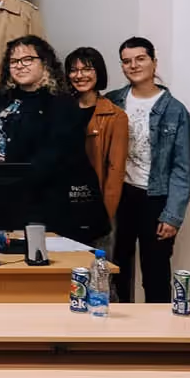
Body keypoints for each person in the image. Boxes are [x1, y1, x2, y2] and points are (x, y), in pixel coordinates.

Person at [0, 35, 108, 246]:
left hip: (42, 206)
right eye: (14, 61)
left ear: (44, 63)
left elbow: (54, 156)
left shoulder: (61, 103)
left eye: (28, 59)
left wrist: (11, 182)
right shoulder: (1, 98)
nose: (20, 65)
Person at [107, 37, 190, 303]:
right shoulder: (113, 101)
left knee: (155, 274)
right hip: (121, 196)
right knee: (116, 270)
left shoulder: (175, 111)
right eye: (126, 61)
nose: (133, 65)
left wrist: (173, 215)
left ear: (154, 62)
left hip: (155, 199)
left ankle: (160, 326)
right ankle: (120, 323)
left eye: (140, 59)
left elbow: (181, 168)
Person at [65, 46, 127, 236]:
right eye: (74, 70)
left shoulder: (115, 116)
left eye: (87, 69)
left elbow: (115, 171)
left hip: (94, 204)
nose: (79, 75)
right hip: (62, 204)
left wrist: (105, 214)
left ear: (98, 72)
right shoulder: (60, 109)